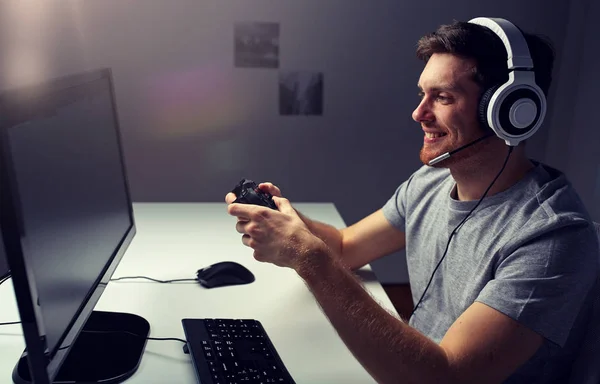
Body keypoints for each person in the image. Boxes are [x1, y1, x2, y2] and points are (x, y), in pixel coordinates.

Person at [225, 18, 600, 384]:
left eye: (443, 97)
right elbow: (346, 246)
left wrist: (308, 258)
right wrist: (285, 221)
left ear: (511, 111)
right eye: (422, 94)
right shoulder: (432, 180)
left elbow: (448, 376)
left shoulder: (553, 237)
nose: (419, 113)